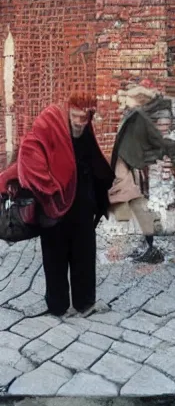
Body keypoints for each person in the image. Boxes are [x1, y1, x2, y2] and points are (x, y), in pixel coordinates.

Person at [0, 94, 114, 316]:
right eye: (77, 117)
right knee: (55, 256)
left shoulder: (85, 128)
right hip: (53, 206)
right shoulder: (50, 119)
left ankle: (85, 304)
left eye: (86, 117)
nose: (81, 122)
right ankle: (58, 306)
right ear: (68, 110)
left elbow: (92, 159)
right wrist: (50, 188)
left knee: (84, 254)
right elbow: (28, 154)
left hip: (82, 205)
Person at [109, 84, 175, 263]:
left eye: (128, 99)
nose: (124, 102)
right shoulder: (132, 117)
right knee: (136, 207)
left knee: (138, 207)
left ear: (137, 102)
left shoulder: (138, 117)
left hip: (130, 170)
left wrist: (172, 147)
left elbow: (155, 139)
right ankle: (146, 245)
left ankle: (149, 247)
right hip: (126, 168)